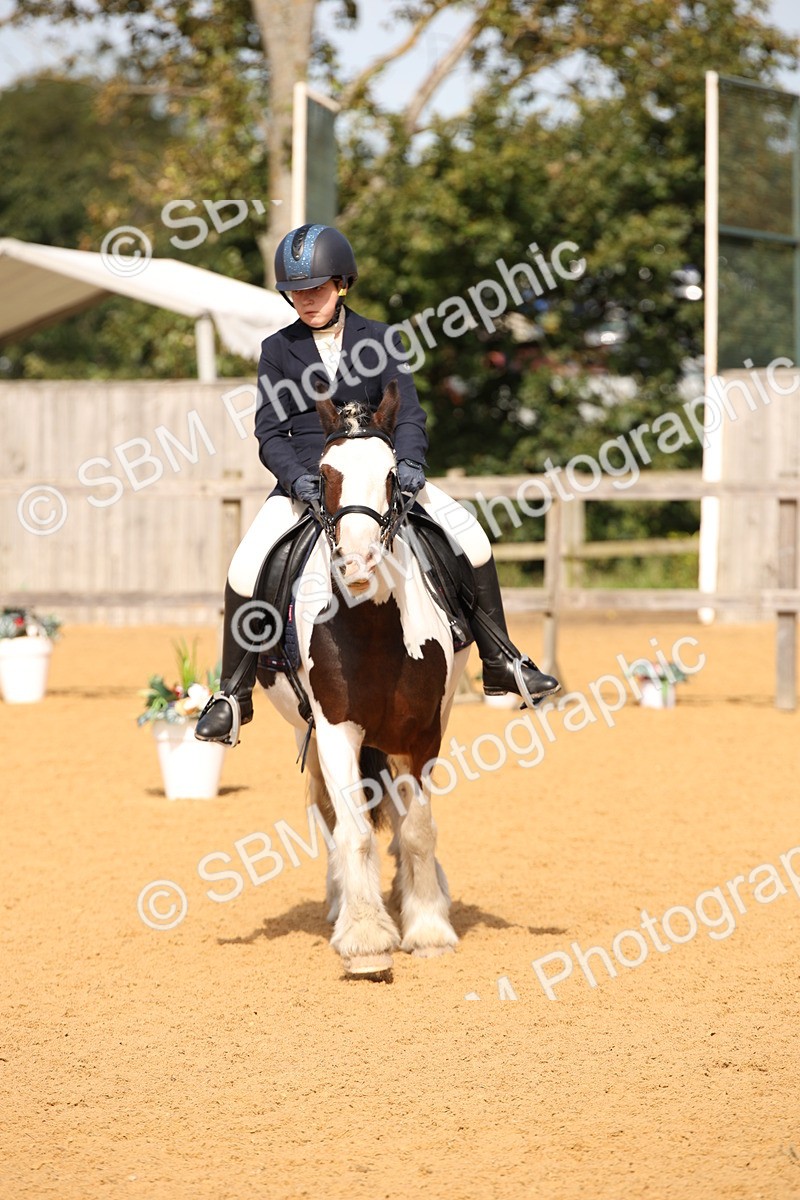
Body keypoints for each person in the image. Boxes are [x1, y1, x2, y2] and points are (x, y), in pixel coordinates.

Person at [195, 223, 559, 744]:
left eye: (315, 288)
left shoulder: (382, 338)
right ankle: (233, 695)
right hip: (310, 483)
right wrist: (298, 480)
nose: (305, 299)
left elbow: (408, 413)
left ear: (342, 283)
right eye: (296, 291)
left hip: (381, 479)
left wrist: (409, 463)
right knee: (244, 566)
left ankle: (501, 660)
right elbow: (269, 433)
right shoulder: (278, 349)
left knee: (473, 538)